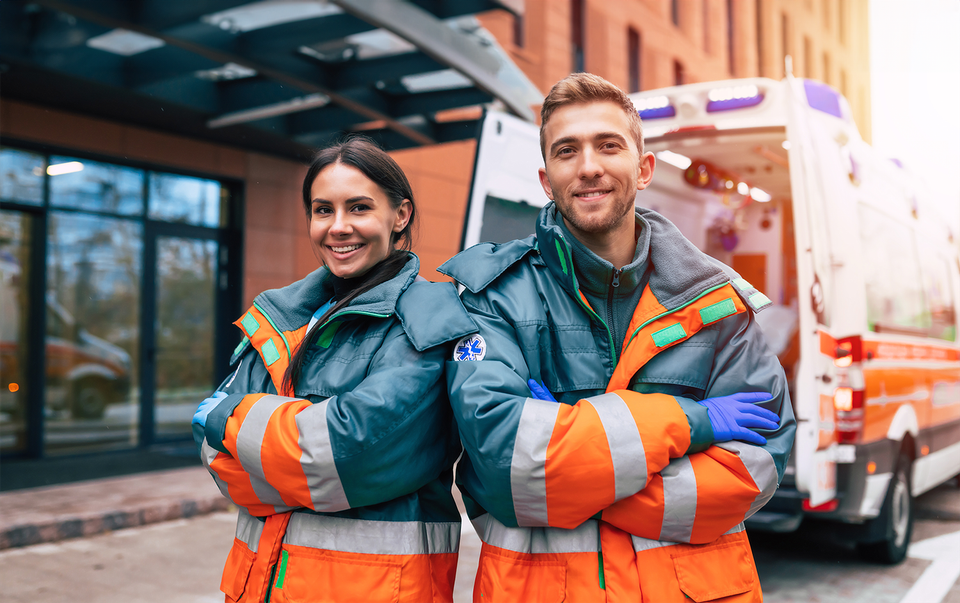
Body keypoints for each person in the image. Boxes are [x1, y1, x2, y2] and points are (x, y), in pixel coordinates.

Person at [441, 73, 796, 602]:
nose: (589, 166)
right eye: (567, 151)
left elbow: (756, 467)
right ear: (546, 179)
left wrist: (569, 462)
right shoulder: (492, 297)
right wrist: (690, 425)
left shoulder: (717, 303)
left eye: (609, 146)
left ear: (644, 167)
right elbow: (503, 470)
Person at [192, 137, 477, 603]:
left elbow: (352, 452)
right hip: (257, 587)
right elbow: (213, 458)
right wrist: (297, 460)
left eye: (359, 208)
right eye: (323, 210)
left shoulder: (429, 319)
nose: (338, 227)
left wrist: (232, 422)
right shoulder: (284, 315)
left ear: (400, 215)